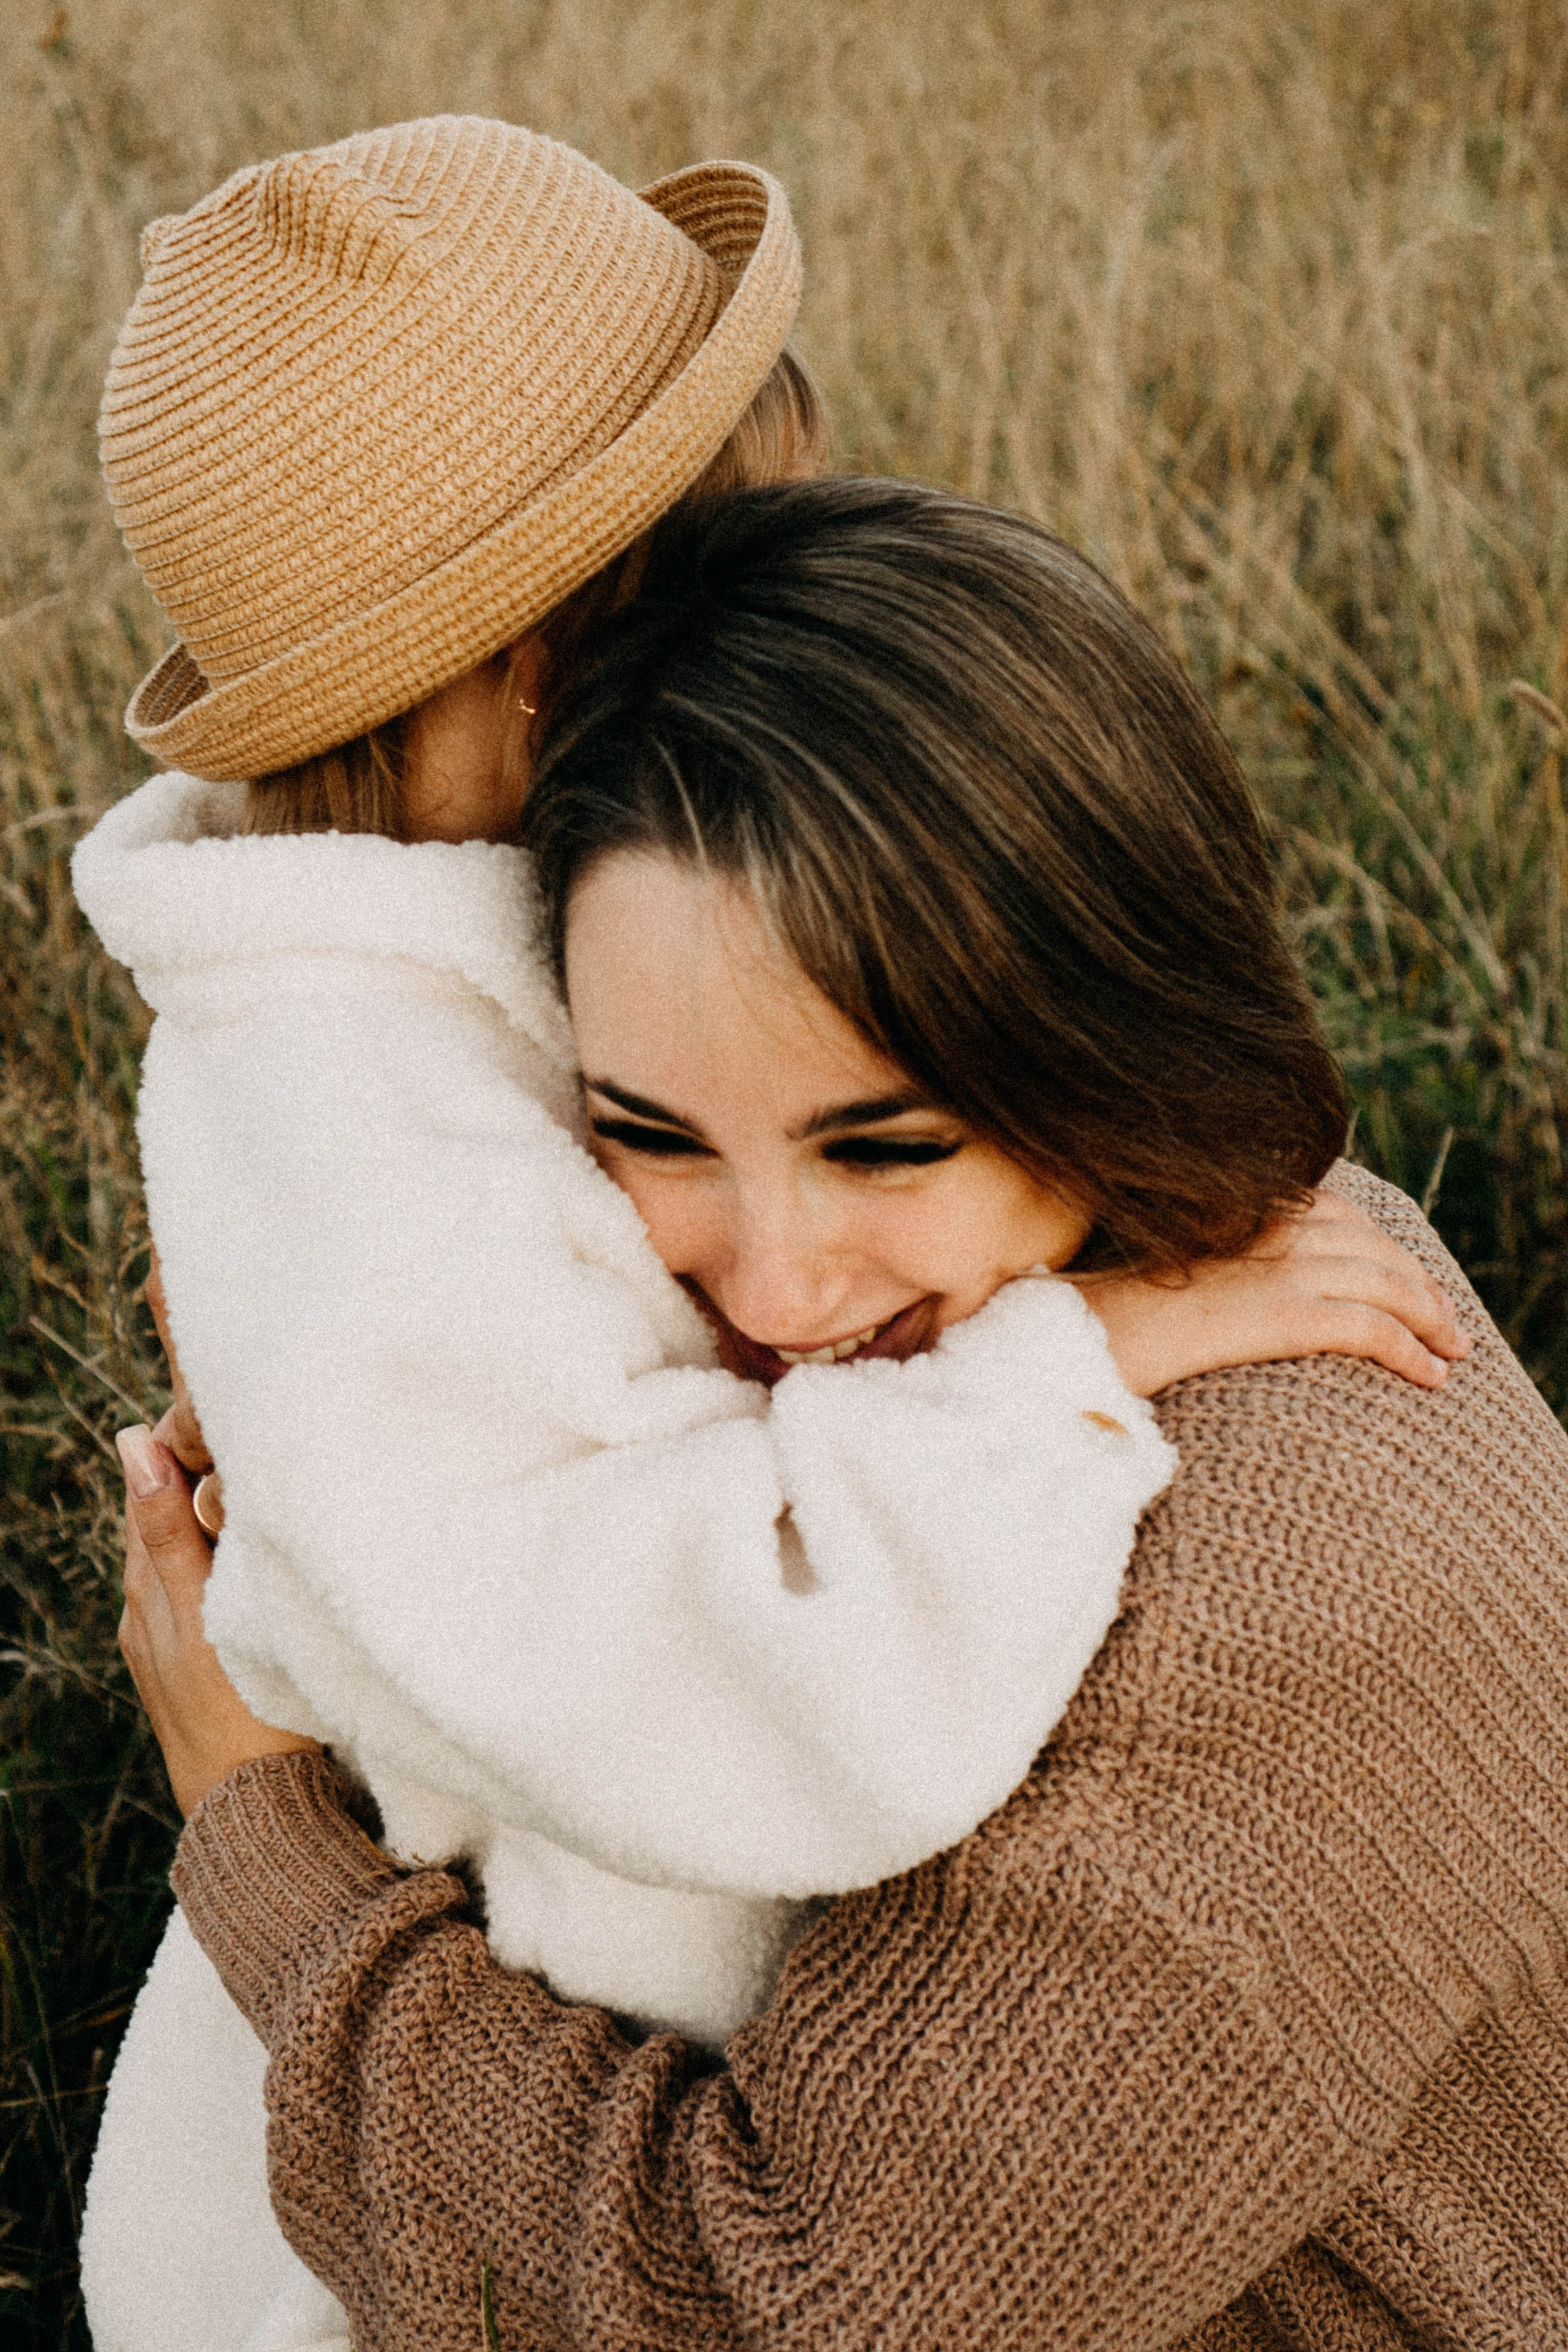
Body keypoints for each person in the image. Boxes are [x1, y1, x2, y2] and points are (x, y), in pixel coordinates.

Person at [73, 121, 1458, 2352]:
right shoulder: (355, 1138)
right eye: (731, 553)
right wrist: (1067, 1359)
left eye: (884, 1139)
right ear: (559, 658)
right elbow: (692, 1684)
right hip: (391, 2218)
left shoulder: (458, 966)